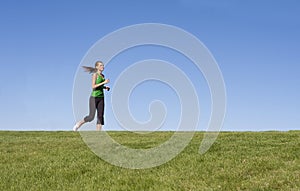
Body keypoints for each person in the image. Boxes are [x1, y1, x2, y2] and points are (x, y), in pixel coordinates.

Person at [73, 61, 110, 131]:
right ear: (97, 67)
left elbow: (100, 86)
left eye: (103, 65)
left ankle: (98, 134)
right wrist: (104, 82)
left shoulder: (103, 76)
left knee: (100, 116)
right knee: (91, 117)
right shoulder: (95, 75)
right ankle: (79, 124)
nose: (103, 67)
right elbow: (93, 87)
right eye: (101, 65)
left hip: (101, 98)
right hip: (94, 98)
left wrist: (105, 87)